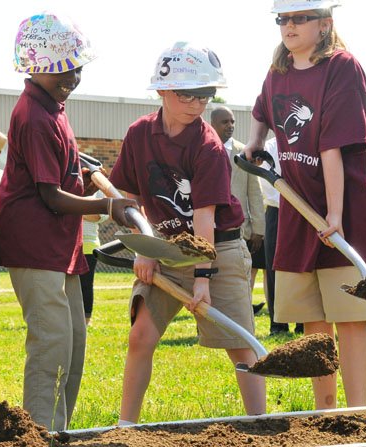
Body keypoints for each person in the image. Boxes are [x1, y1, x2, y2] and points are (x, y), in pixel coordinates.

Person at [0, 13, 137, 431]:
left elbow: (61, 170)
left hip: (61, 246)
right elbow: (49, 196)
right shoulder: (34, 116)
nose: (70, 76)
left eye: (75, 67)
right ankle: (38, 433)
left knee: (73, 342)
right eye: (60, 69)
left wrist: (83, 170)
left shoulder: (54, 108)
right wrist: (107, 208)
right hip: (35, 246)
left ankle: (57, 430)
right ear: (35, 68)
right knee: (51, 344)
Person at [110, 42, 266, 425]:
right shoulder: (139, 134)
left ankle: (261, 427)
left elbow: (204, 220)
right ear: (162, 90)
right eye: (187, 94)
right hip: (163, 249)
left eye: (205, 95)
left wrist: (202, 276)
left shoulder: (208, 145)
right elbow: (129, 198)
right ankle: (125, 427)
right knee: (140, 337)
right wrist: (144, 249)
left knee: (241, 347)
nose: (197, 104)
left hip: (218, 251)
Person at [244, 0, 366, 410]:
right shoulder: (279, 71)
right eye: (282, 19)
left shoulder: (342, 67)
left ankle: (356, 412)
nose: (288, 26)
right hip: (298, 206)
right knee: (314, 319)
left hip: (345, 208)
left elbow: (332, 145)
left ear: (324, 24)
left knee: (351, 316)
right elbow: (261, 109)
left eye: (299, 18)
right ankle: (325, 412)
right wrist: (255, 141)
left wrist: (337, 214)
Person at [210, 106, 267, 315]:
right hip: (209, 226)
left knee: (239, 275)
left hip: (239, 228)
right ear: (213, 124)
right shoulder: (202, 150)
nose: (230, 126)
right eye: (225, 122)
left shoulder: (245, 153)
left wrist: (258, 228)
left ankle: (239, 315)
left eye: (232, 122)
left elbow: (255, 193)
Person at [259, 137, 303, 335]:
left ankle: (304, 321)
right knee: (274, 267)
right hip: (277, 210)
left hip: (304, 211)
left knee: (303, 267)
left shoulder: (306, 141)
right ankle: (278, 324)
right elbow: (268, 181)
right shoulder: (270, 146)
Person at [80, 190, 109, 326]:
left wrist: (71, 209)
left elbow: (98, 216)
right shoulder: (67, 184)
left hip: (88, 244)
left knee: (85, 284)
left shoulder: (99, 192)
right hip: (66, 244)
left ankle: (86, 319)